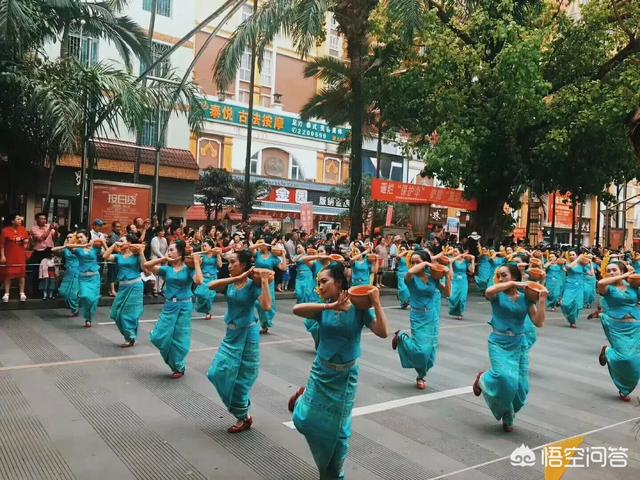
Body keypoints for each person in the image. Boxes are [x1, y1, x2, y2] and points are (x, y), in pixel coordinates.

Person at [289, 264, 389, 480]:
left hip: (346, 378)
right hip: (320, 373)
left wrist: (377, 302)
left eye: (324, 281)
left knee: (340, 433)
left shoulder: (359, 309)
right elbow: (295, 310)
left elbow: (382, 332)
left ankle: (333, 473)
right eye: (318, 282)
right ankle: (301, 401)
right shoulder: (323, 307)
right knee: (305, 421)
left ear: (340, 283)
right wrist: (331, 306)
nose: (320, 286)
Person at [472, 264, 546, 432]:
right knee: (506, 379)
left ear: (514, 276)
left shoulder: (525, 298)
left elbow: (539, 322)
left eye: (504, 275)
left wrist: (541, 301)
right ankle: (484, 379)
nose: (500, 278)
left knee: (521, 389)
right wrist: (513, 284)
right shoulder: (497, 295)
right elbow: (489, 291)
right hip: (499, 342)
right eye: (498, 275)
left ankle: (509, 413)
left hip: (519, 344)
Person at [207, 251, 273, 433]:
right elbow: (211, 285)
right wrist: (237, 277)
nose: (229, 265)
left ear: (243, 264)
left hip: (247, 334)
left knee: (242, 379)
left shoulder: (252, 285)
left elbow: (267, 306)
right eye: (228, 262)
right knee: (216, 373)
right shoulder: (230, 283)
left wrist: (265, 281)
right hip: (231, 334)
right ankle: (241, 413)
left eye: (233, 262)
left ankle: (243, 416)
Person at [392, 250, 452, 389]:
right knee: (421, 351)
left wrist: (448, 276)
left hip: (432, 316)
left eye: (417, 261)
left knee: (430, 352)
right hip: (417, 317)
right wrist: (425, 262)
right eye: (412, 262)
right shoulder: (410, 278)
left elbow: (447, 293)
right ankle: (401, 336)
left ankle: (421, 376)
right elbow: (410, 272)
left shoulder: (433, 278)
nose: (413, 265)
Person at [144, 240, 203, 378]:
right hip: (169, 306)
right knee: (158, 336)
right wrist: (163, 258)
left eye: (171, 250)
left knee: (180, 338)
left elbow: (199, 281)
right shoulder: (167, 269)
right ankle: (174, 362)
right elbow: (146, 265)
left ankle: (178, 366)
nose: (169, 252)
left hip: (184, 306)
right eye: (168, 250)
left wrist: (196, 263)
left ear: (180, 252)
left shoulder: (189, 269)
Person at [596, 261, 640, 402]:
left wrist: (631, 278)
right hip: (617, 327)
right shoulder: (607, 287)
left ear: (621, 270)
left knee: (635, 360)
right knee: (625, 358)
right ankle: (608, 352)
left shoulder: (632, 286)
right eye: (609, 270)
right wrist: (625, 275)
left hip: (636, 325)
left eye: (614, 270)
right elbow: (601, 283)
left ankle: (625, 389)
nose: (611, 272)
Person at [103, 235, 146, 347]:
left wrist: (141, 252)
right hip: (122, 287)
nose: (119, 242)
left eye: (122, 241)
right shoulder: (119, 256)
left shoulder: (136, 255)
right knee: (116, 314)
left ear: (129, 243)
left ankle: (130, 337)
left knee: (128, 314)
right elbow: (105, 256)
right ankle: (129, 335)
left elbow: (144, 268)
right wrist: (113, 244)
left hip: (135, 285)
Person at [66, 230, 105, 327]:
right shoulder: (78, 249)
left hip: (95, 276)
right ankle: (87, 315)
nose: (79, 239)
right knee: (84, 296)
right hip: (83, 277)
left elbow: (105, 254)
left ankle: (88, 318)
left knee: (93, 299)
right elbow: (68, 246)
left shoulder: (95, 248)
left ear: (87, 237)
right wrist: (82, 245)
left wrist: (103, 242)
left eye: (81, 237)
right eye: (78, 237)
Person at [251, 239, 287, 334]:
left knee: (269, 302)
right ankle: (263, 322)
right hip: (258, 281)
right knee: (258, 303)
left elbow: (283, 268)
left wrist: (283, 254)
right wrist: (259, 243)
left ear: (267, 246)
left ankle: (266, 324)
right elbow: (251, 248)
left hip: (269, 281)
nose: (260, 245)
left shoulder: (273, 257)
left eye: (262, 244)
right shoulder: (258, 254)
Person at [1, 213, 30, 302]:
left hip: (20, 255)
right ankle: (6, 293)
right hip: (9, 255)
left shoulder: (23, 230)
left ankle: (22, 293)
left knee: (21, 274)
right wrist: (2, 256)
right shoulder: (5, 231)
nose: (20, 220)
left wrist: (26, 242)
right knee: (8, 274)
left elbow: (27, 245)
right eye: (17, 219)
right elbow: (1, 245)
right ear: (12, 221)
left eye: (20, 219)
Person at [29, 212, 59, 295]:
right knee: (37, 272)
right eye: (41, 219)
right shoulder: (34, 229)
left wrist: (56, 230)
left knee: (51, 272)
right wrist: (49, 229)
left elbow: (55, 238)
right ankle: (35, 291)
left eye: (44, 219)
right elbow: (41, 239)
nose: (43, 220)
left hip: (49, 251)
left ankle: (50, 291)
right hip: (39, 252)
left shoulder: (49, 226)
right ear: (37, 220)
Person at [194, 239, 223, 319]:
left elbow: (220, 265)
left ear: (210, 246)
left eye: (205, 246)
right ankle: (203, 309)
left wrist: (218, 254)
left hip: (212, 277)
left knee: (209, 296)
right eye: (202, 246)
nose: (203, 247)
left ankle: (208, 312)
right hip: (204, 277)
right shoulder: (202, 255)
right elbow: (197, 264)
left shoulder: (215, 254)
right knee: (200, 293)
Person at [53, 233, 80, 316]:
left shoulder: (78, 248)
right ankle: (74, 306)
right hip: (68, 271)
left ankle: (75, 309)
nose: (68, 238)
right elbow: (53, 249)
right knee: (63, 292)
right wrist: (65, 246)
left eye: (71, 237)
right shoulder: (66, 249)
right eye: (67, 237)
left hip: (77, 271)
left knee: (73, 293)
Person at [561, 252, 589, 328]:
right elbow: (569, 268)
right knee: (565, 304)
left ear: (576, 255)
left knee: (576, 304)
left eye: (573, 254)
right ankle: (569, 318)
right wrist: (578, 258)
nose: (572, 256)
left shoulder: (581, 265)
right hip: (570, 285)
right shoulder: (567, 264)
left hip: (579, 285)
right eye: (570, 255)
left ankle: (573, 321)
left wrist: (591, 263)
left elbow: (591, 273)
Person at [448, 251, 474, 320]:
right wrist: (459, 256)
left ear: (460, 252)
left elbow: (472, 271)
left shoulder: (465, 261)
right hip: (455, 280)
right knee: (452, 297)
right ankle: (454, 310)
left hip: (463, 281)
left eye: (456, 251)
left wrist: (472, 260)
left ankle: (460, 313)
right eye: (454, 252)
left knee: (462, 298)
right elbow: (450, 262)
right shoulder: (452, 260)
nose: (454, 253)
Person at [150, 227, 168, 297]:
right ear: (158, 232)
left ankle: (159, 289)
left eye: (163, 231)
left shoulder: (164, 239)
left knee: (162, 274)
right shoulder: (154, 239)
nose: (163, 232)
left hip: (163, 258)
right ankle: (154, 289)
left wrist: (165, 257)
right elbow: (155, 250)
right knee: (155, 274)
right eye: (161, 231)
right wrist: (162, 258)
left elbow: (166, 249)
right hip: (155, 258)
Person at [107, 221, 122, 297]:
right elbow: (115, 247)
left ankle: (112, 290)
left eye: (119, 226)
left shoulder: (119, 235)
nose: (118, 228)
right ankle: (112, 290)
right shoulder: (113, 235)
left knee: (116, 273)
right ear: (113, 227)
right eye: (117, 227)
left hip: (118, 257)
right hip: (112, 257)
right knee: (112, 274)